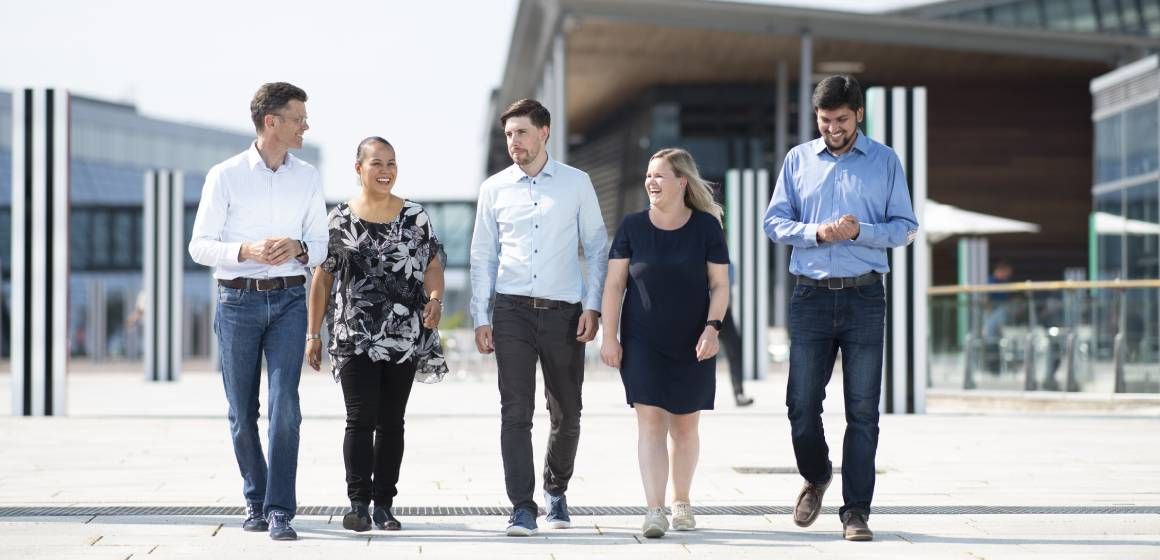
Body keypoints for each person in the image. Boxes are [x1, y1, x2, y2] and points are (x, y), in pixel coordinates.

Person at [763, 75, 918, 542]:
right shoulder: (797, 161)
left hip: (866, 296)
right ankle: (817, 474)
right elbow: (774, 222)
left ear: (859, 115)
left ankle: (856, 512)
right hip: (810, 295)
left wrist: (859, 231)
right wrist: (817, 233)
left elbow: (906, 228)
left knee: (863, 409)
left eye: (841, 120)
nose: (833, 128)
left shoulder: (885, 161)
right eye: (825, 120)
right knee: (801, 405)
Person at [188, 82, 328, 541]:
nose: (305, 125)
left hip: (289, 300)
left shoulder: (308, 176)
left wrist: (300, 246)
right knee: (241, 410)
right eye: (298, 117)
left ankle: (280, 509)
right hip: (236, 303)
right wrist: (245, 249)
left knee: (285, 406)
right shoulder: (224, 176)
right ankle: (256, 496)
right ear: (272, 122)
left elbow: (322, 243)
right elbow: (199, 246)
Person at [469, 98, 609, 536]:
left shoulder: (576, 183)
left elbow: (598, 247)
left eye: (522, 132)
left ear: (544, 132)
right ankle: (522, 506)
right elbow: (481, 255)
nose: (515, 142)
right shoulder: (494, 189)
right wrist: (480, 314)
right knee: (516, 412)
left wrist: (592, 304)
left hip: (564, 313)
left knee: (568, 412)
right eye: (509, 134)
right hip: (511, 311)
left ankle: (556, 488)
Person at [305, 137, 448, 533]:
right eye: (377, 163)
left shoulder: (415, 216)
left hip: (403, 335)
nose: (386, 170)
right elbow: (322, 280)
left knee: (391, 421)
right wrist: (312, 334)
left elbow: (432, 264)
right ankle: (358, 504)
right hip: (354, 336)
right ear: (359, 168)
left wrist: (435, 298)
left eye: (392, 163)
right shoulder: (339, 219)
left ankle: (384, 504)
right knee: (359, 418)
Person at [600, 148, 730, 538]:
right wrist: (609, 336)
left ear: (682, 183)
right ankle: (654, 509)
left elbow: (720, 285)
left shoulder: (707, 227)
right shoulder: (632, 226)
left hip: (694, 341)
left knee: (686, 427)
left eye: (659, 176)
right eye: (648, 176)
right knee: (651, 423)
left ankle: (682, 501)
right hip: (643, 341)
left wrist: (712, 328)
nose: (651, 182)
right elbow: (614, 284)